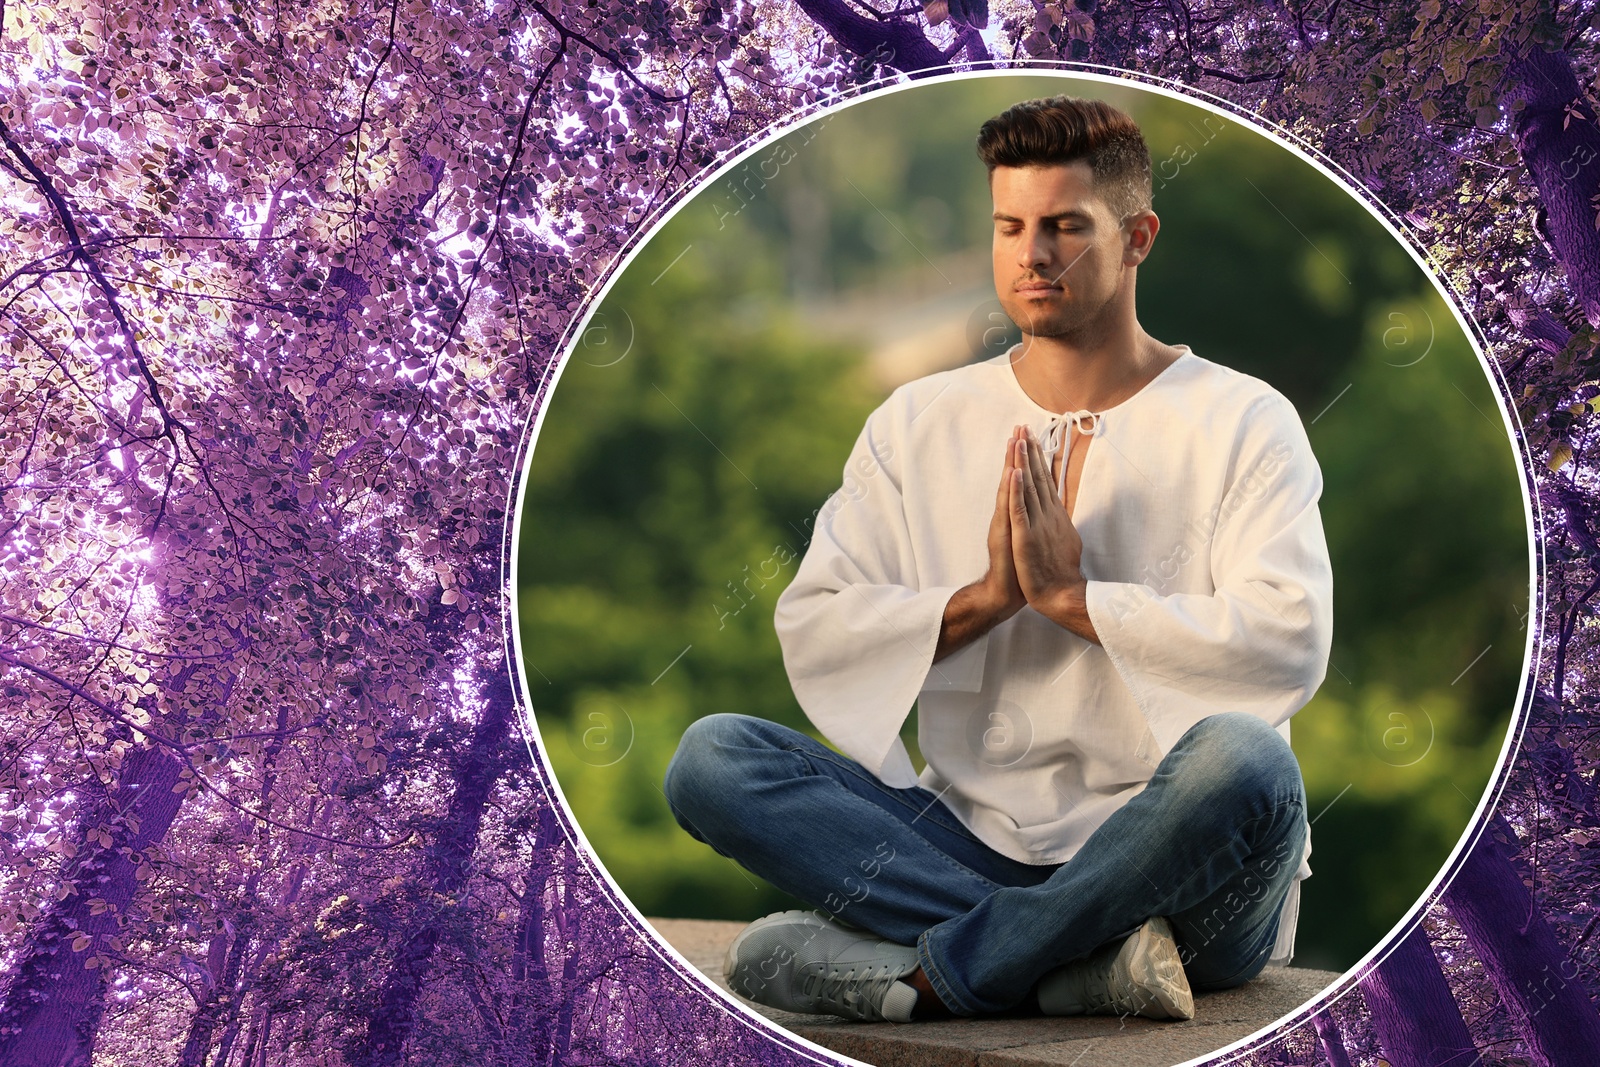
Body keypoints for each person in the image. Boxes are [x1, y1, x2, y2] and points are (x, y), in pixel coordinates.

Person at [662, 94, 1333, 1025]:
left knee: (1251, 762)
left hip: (1185, 877)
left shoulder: (1244, 419)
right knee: (713, 760)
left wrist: (1077, 600)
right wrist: (984, 600)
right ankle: (1075, 963)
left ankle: (947, 970)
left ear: (1138, 237)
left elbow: (1288, 641)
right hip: (966, 845)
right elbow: (816, 620)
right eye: (1010, 226)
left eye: (1065, 226)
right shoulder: (917, 421)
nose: (1032, 254)